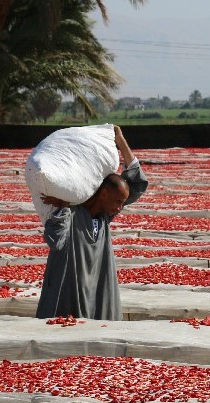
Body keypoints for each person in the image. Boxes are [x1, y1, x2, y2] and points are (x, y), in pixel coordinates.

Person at [35, 125, 148, 320]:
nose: (121, 208)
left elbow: (137, 185)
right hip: (69, 300)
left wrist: (121, 142)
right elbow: (55, 240)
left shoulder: (104, 217)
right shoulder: (72, 215)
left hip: (99, 297)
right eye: (118, 202)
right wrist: (62, 207)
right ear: (104, 194)